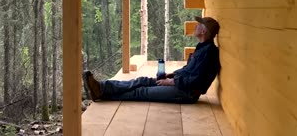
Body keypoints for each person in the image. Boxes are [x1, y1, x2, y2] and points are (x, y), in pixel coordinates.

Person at [83, 16, 221, 104]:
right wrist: (170, 75)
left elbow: (196, 80)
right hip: (179, 83)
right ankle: (102, 87)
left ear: (203, 31)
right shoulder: (202, 48)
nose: (195, 26)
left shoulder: (209, 53)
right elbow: (188, 71)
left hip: (186, 92)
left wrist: (171, 81)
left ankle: (102, 94)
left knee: (142, 92)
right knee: (142, 81)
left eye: (199, 25)